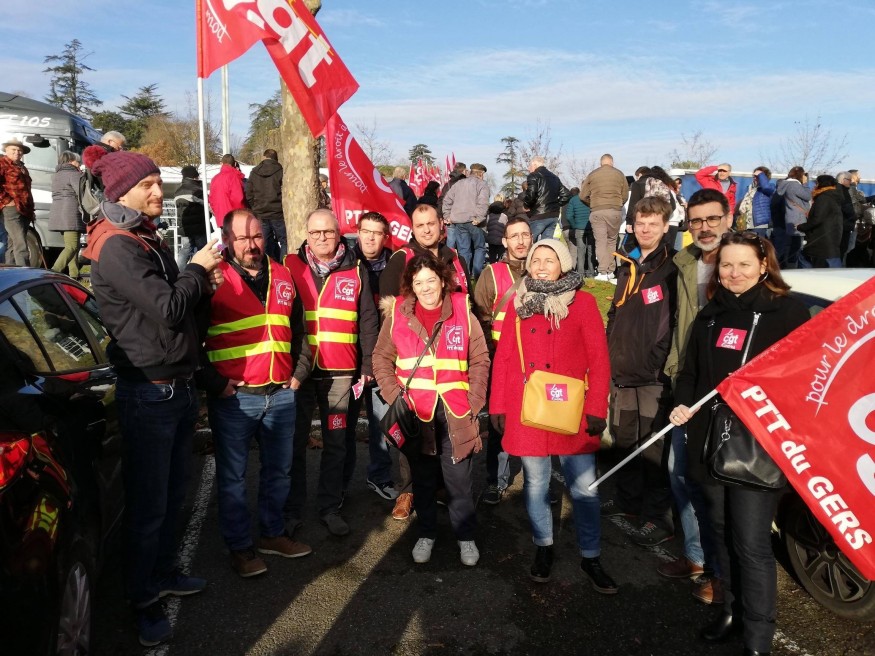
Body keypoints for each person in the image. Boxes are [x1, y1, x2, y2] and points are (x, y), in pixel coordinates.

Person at [82, 150, 223, 647]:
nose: (159, 192)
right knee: (148, 506)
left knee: (172, 495)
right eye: (148, 186)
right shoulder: (117, 245)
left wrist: (202, 284)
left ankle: (162, 574)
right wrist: (197, 271)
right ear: (122, 193)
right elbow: (166, 308)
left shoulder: (142, 235)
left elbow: (176, 309)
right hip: (149, 391)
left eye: (158, 182)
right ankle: (142, 599)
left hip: (173, 386)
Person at [669, 231, 809, 656]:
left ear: (764, 265)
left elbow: (803, 381)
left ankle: (758, 636)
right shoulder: (711, 314)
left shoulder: (788, 313)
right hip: (709, 445)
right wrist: (682, 405)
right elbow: (690, 373)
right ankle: (731, 612)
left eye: (744, 264)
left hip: (756, 449)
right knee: (719, 534)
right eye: (726, 265)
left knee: (750, 543)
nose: (734, 273)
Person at [490, 239, 615, 593]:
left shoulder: (583, 303)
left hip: (571, 411)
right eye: (536, 260)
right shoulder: (519, 303)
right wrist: (498, 405)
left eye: (550, 260)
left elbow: (599, 359)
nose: (542, 266)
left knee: (584, 488)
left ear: (564, 265)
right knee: (535, 483)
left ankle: (591, 555)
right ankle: (543, 545)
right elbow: (504, 359)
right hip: (528, 409)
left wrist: (596, 407)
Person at [198, 209, 312, 578]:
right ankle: (239, 547)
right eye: (243, 238)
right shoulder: (212, 278)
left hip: (281, 393)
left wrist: (298, 374)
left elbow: (300, 330)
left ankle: (272, 534)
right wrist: (215, 384)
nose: (252, 245)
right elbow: (189, 340)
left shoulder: (282, 274)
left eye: (257, 236)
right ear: (226, 240)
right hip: (235, 398)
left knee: (279, 471)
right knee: (233, 478)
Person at [372, 255, 489, 566]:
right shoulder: (397, 313)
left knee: (459, 479)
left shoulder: (463, 310)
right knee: (422, 479)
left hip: (455, 411)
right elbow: (381, 358)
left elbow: (480, 358)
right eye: (418, 282)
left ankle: (465, 536)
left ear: (443, 281)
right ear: (411, 286)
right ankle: (426, 533)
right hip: (415, 412)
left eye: (431, 280)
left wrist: (475, 401)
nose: (425, 288)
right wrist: (395, 397)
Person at [284, 209, 379, 537]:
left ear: (339, 234)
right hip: (298, 373)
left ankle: (329, 506)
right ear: (307, 235)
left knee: (337, 443)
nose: (322, 237)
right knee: (294, 443)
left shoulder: (357, 268)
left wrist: (367, 366)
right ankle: (292, 509)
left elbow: (368, 319)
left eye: (328, 232)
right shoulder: (289, 266)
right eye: (315, 232)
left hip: (341, 372)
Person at [659, 188, 734, 604]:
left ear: (728, 218)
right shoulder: (685, 262)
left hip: (727, 392)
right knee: (681, 474)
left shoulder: (742, 261)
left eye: (712, 219)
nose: (704, 227)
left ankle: (723, 573)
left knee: (716, 488)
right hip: (687, 383)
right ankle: (695, 556)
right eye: (697, 221)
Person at [380, 204, 472, 520]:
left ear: (441, 224)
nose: (427, 229)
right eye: (420, 225)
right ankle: (408, 491)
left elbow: (466, 301)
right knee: (413, 434)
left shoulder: (455, 258)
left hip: (450, 362)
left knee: (446, 435)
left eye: (431, 223)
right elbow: (390, 309)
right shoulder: (401, 258)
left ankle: (442, 489)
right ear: (413, 228)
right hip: (414, 361)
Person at [603, 196, 677, 547]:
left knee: (652, 448)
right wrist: (608, 353)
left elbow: (673, 323)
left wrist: (657, 364)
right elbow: (615, 312)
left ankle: (657, 516)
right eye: (640, 223)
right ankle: (627, 503)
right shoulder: (627, 262)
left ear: (666, 226)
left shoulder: (672, 267)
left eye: (653, 223)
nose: (645, 229)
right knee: (624, 440)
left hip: (652, 378)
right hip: (622, 372)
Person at [473, 216, 532, 504]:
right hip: (502, 362)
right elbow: (481, 319)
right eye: (514, 236)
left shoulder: (545, 270)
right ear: (505, 241)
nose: (520, 241)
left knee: (536, 423)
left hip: (536, 365)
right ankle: (495, 481)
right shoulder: (492, 274)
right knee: (500, 424)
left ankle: (537, 483)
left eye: (525, 235)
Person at [353, 211, 400, 502]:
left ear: (385, 237)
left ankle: (379, 476)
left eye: (377, 232)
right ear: (358, 233)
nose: (370, 238)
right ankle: (337, 486)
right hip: (348, 355)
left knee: (381, 422)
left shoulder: (395, 266)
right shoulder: (346, 262)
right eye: (366, 231)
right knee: (342, 429)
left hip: (383, 356)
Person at [579, 154, 629, 283]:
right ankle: (611, 271)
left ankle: (602, 271)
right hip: (615, 211)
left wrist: (592, 204)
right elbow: (625, 195)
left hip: (598, 211)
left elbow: (583, 195)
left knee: (601, 241)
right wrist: (617, 204)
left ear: (601, 163)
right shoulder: (619, 174)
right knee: (612, 241)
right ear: (612, 162)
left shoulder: (592, 174)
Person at [442, 162, 490, 276]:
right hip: (474, 222)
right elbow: (483, 202)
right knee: (480, 248)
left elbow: (447, 200)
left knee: (464, 250)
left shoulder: (458, 184)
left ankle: (465, 276)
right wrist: (479, 218)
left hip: (459, 221)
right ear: (480, 173)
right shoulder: (482, 184)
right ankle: (477, 274)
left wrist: (447, 216)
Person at [245, 149, 285, 260]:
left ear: (264, 157)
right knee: (284, 241)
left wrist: (254, 206)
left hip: (261, 212)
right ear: (276, 158)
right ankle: (285, 265)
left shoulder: (254, 172)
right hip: (277, 212)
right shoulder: (281, 171)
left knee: (265, 242)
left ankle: (269, 265)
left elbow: (248, 192)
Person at [49, 151, 85, 278]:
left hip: (58, 214)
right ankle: (53, 272)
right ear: (70, 161)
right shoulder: (74, 174)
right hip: (71, 213)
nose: (79, 164)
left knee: (72, 245)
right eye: (77, 161)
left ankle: (74, 274)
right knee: (72, 246)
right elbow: (81, 193)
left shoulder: (56, 175)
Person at [0, 138, 35, 266]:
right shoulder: (2, 163)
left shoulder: (22, 167)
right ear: (6, 150)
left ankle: (10, 271)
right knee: (20, 243)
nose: (17, 152)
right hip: (11, 209)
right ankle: (25, 273)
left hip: (25, 209)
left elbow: (27, 190)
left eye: (19, 150)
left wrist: (31, 210)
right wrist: (7, 201)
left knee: (13, 243)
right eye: (13, 149)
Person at [798, 175, 843, 268]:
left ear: (822, 184)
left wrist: (801, 226)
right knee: (832, 261)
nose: (815, 186)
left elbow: (817, 219)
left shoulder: (823, 198)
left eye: (817, 183)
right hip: (832, 236)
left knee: (806, 258)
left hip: (822, 238)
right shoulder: (833, 196)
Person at [523, 156, 571, 242]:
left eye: (530, 166)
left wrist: (526, 205)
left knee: (528, 242)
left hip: (538, 215)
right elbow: (566, 194)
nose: (528, 168)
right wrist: (556, 204)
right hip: (553, 215)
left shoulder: (533, 176)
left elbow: (531, 193)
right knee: (546, 244)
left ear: (535, 165)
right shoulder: (554, 177)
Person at [772, 167, 810, 268]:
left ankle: (787, 264)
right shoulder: (794, 185)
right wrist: (805, 184)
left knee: (788, 245)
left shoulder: (784, 185)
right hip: (797, 218)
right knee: (796, 245)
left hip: (788, 217)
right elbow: (807, 196)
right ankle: (792, 265)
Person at [209, 154, 246, 228]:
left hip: (221, 218)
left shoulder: (215, 178)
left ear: (221, 163)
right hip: (234, 218)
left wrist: (217, 212)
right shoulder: (234, 177)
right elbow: (238, 199)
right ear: (234, 164)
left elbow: (211, 199)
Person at [485, 194, 508, 263]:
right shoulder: (504, 216)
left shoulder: (489, 216)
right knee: (501, 256)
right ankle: (500, 267)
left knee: (492, 256)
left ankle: (492, 267)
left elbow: (487, 227)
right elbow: (506, 227)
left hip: (491, 239)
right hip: (501, 240)